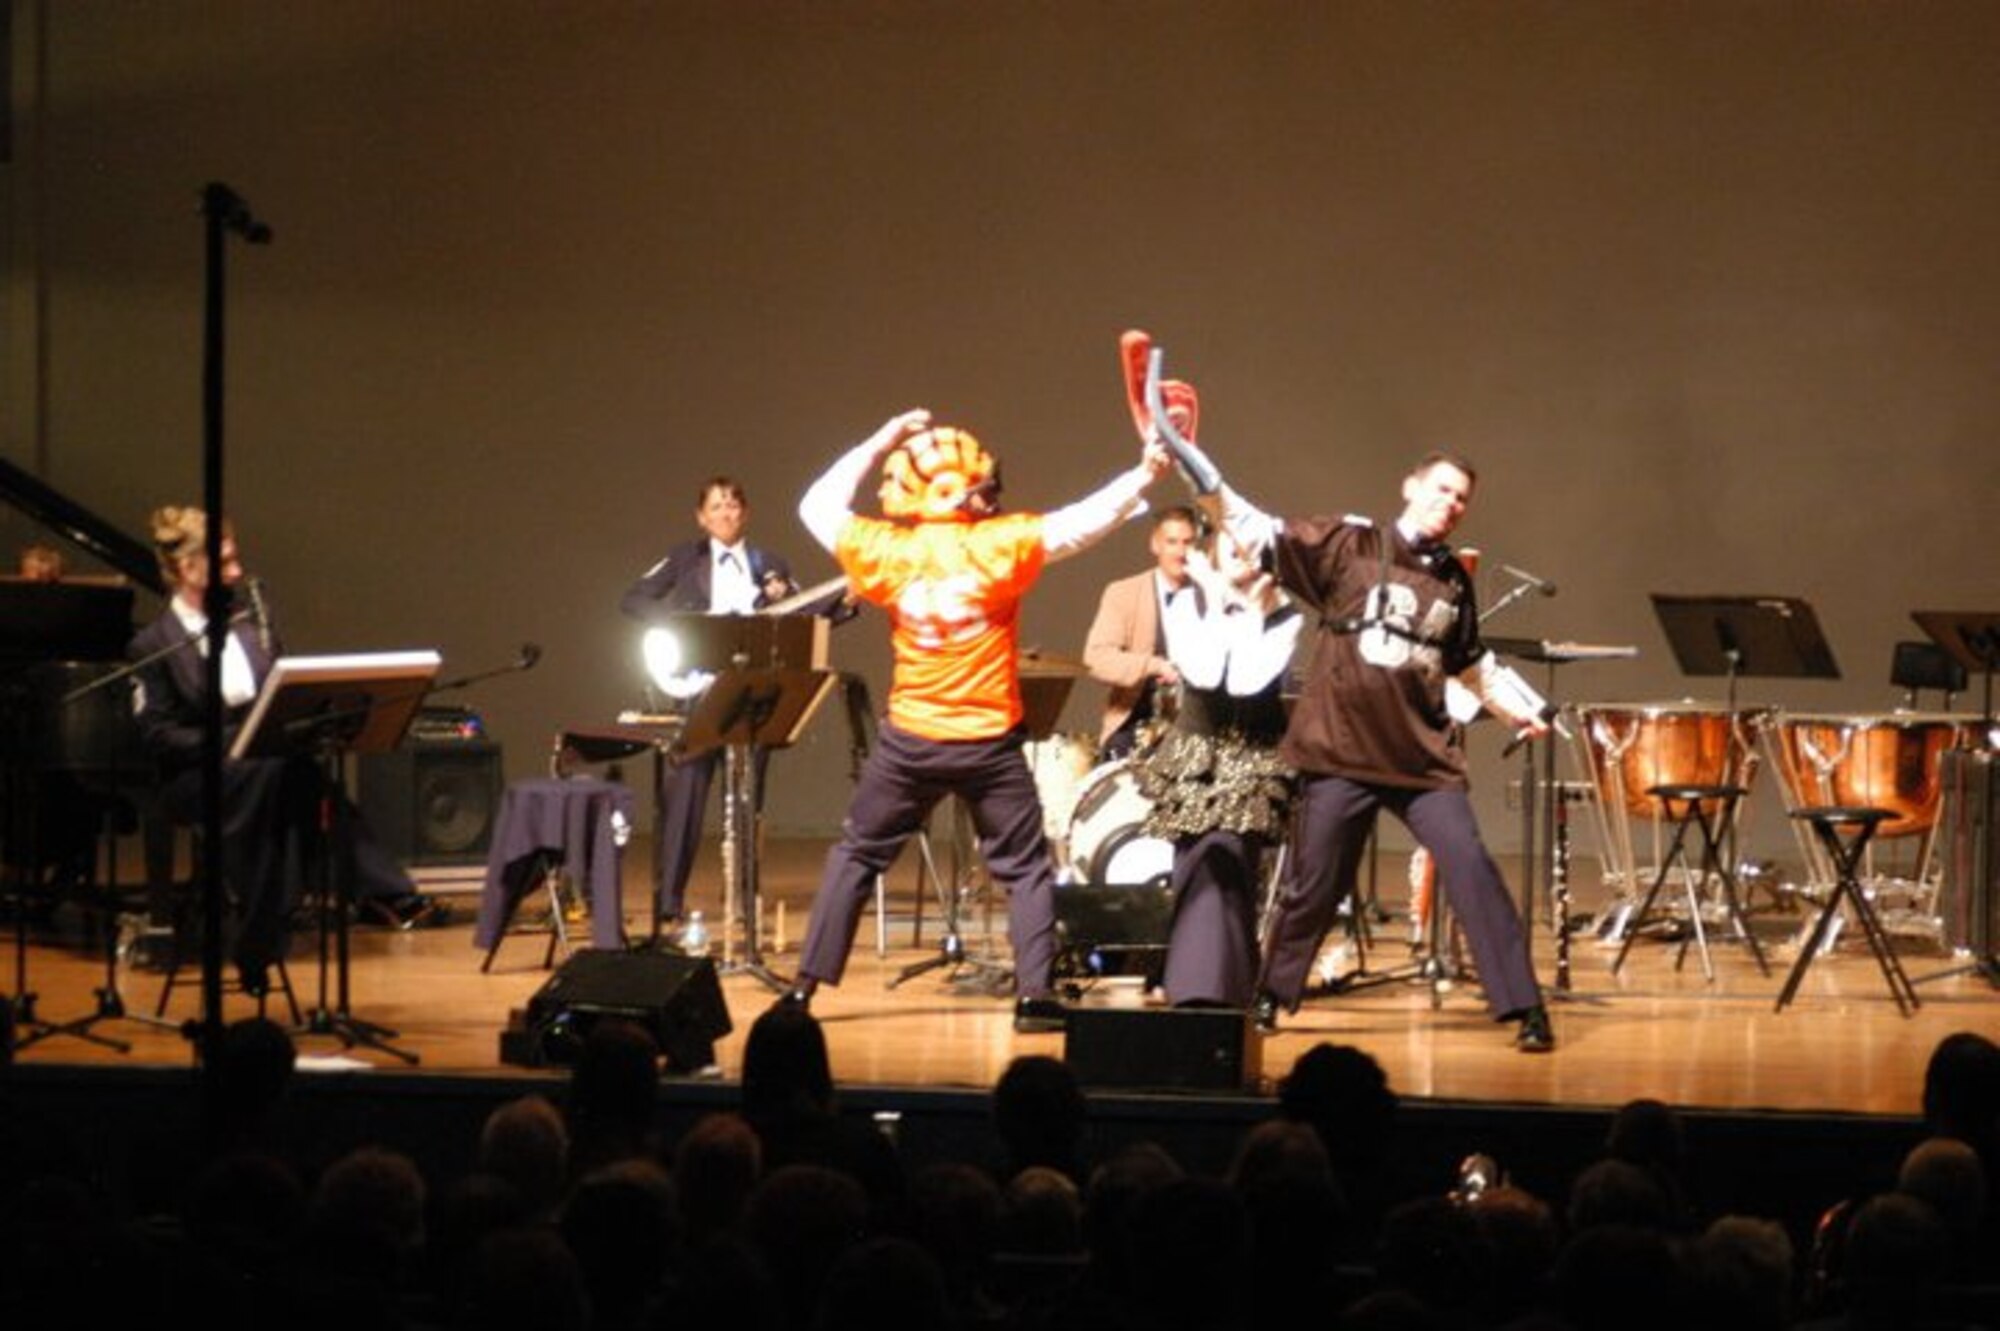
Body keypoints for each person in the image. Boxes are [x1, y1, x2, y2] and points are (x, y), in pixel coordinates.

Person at [783, 410, 1169, 1031]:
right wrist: (1143, 475)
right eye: (981, 485)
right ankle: (1034, 996)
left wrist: (880, 439)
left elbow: (815, 505)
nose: (991, 495)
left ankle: (803, 990)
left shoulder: (886, 549)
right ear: (957, 491)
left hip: (910, 740)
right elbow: (1079, 526)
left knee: (856, 856)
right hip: (987, 744)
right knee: (1025, 870)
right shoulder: (998, 545)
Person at [1181, 445, 1556, 1051]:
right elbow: (1256, 529)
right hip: (1341, 753)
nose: (1451, 504)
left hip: (1421, 760)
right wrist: (1196, 466)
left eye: (1461, 497)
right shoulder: (1350, 546)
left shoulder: (1453, 579)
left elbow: (1468, 662)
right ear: (1410, 487)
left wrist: (1520, 710)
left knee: (1472, 869)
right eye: (1441, 489)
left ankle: (1525, 1007)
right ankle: (1272, 994)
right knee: (1315, 885)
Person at [128, 506, 431, 994]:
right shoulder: (152, 644)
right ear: (187, 569)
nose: (238, 572)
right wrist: (235, 743)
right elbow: (158, 736)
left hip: (261, 768)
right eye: (225, 562)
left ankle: (265, 925)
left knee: (289, 772)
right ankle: (378, 891)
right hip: (195, 774)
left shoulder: (250, 625)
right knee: (289, 775)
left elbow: (280, 696)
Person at [618, 476, 849, 939]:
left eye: (733, 506)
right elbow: (634, 599)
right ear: (701, 517)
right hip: (697, 688)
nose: (726, 513)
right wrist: (687, 629)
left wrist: (846, 602)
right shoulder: (685, 559)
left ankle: (743, 898)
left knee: (748, 799)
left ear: (745, 513)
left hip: (753, 690)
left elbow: (804, 615)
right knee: (685, 794)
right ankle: (669, 904)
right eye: (716, 507)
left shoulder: (770, 563)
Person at [1131, 527, 1300, 1008]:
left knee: (1230, 862)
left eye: (1252, 549)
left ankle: (1213, 988)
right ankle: (1197, 980)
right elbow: (1202, 669)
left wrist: (1245, 607)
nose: (1242, 555)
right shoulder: (1187, 601)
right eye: (1232, 547)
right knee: (1193, 862)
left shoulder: (1283, 612)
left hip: (1250, 755)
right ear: (1212, 556)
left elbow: (1246, 678)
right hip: (1196, 751)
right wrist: (1214, 595)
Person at [1082, 505, 1201, 764]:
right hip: (1135, 723)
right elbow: (1096, 658)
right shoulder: (1123, 593)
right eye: (1171, 542)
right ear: (1155, 545)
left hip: (1198, 727)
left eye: (1188, 543)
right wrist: (1153, 665)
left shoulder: (1213, 595)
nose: (1181, 552)